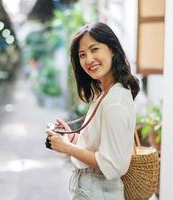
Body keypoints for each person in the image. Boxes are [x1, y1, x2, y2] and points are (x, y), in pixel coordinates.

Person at [46, 22, 140, 200]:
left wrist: (67, 147)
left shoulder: (114, 102)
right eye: (82, 55)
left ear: (112, 49)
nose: (88, 59)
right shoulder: (107, 94)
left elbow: (113, 165)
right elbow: (99, 147)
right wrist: (71, 138)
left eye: (94, 49)